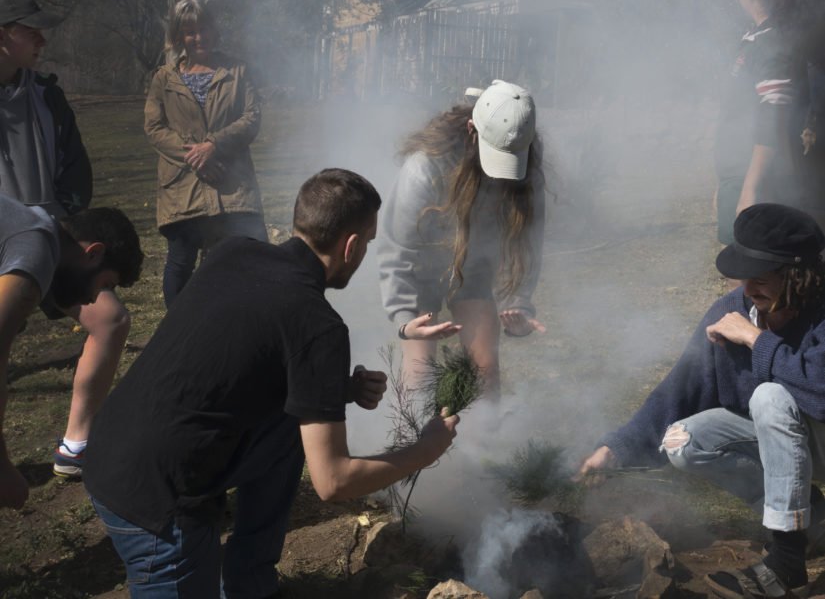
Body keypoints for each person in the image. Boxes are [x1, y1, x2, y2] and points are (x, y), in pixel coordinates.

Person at [83, 169, 460, 599]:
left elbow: (238, 356)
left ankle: (250, 586)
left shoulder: (233, 252)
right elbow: (333, 482)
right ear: (351, 245)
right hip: (155, 506)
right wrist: (426, 450)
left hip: (108, 450)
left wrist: (338, 389)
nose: (365, 254)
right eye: (368, 243)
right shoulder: (318, 324)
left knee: (289, 428)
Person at [578, 204, 825, 597]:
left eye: (760, 280)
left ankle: (786, 560)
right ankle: (810, 519)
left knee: (770, 397)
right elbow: (680, 388)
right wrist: (618, 448)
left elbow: (820, 391)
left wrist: (756, 340)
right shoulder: (732, 310)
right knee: (684, 441)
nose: (748, 291)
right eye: (744, 278)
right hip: (786, 443)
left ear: (797, 277)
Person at [0, 0, 138, 478]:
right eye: (31, 30)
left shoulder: (46, 94)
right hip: (5, 243)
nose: (43, 39)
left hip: (51, 238)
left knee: (111, 318)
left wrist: (61, 222)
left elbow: (75, 169)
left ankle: (76, 444)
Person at [377, 80, 546, 395]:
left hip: (473, 267)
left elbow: (527, 241)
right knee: (419, 375)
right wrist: (405, 320)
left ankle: (485, 427)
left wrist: (519, 303)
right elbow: (397, 250)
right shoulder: (424, 168)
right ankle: (414, 426)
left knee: (485, 370)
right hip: (420, 270)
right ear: (472, 130)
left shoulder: (526, 164)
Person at [0, 194, 143, 509]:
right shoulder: (35, 254)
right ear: (93, 253)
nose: (93, 299)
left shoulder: (33, 228)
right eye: (105, 285)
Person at [145, 0, 268, 307]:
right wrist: (196, 158)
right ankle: (178, 327)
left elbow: (252, 117)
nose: (199, 37)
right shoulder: (163, 78)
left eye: (204, 29)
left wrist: (214, 145)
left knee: (248, 256)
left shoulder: (237, 71)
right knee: (181, 261)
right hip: (183, 188)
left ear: (214, 29)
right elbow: (155, 128)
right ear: (179, 36)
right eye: (190, 32)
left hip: (232, 184)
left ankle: (240, 322)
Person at [713, 0, 805, 244]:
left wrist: (750, 188)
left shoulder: (773, 41)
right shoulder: (753, 38)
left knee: (752, 259)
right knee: (736, 257)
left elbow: (772, 117)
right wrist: (724, 182)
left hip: (756, 178)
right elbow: (736, 113)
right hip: (737, 175)